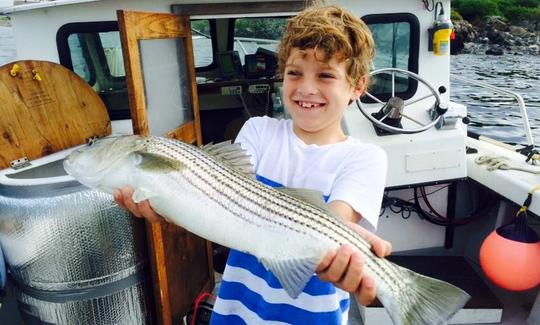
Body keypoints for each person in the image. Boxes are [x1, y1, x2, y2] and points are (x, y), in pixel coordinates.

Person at [115, 4, 391, 324]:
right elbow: (218, 202)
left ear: (357, 86)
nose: (306, 88)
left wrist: (344, 244)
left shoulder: (365, 158)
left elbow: (332, 222)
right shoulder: (258, 130)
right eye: (294, 73)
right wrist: (165, 202)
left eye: (326, 75)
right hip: (237, 312)